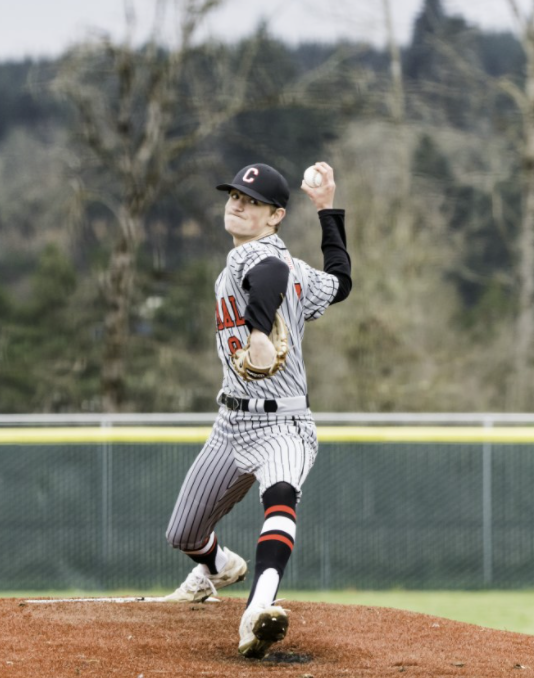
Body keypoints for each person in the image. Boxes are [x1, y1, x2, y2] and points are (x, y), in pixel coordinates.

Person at [162, 161, 351, 659]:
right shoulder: (280, 268)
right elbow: (340, 281)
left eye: (252, 201)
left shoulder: (264, 258)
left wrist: (261, 331)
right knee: (183, 533)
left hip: (284, 423)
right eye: (234, 196)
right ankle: (218, 565)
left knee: (282, 493)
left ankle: (259, 608)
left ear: (275, 216)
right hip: (231, 425)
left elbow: (268, 277)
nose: (237, 204)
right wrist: (327, 209)